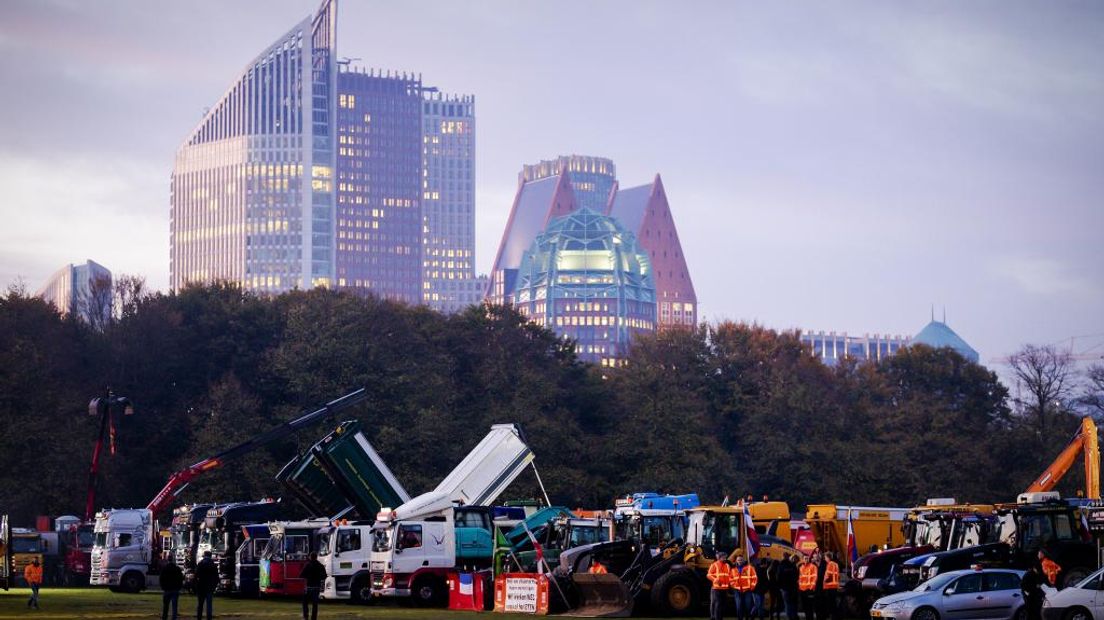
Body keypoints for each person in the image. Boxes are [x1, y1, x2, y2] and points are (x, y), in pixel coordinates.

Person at [299, 552, 327, 620]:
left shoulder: (308, 565)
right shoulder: (320, 565)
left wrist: (307, 576)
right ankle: (314, 618)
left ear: (310, 557)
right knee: (315, 604)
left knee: (305, 603)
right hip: (317, 587)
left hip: (308, 587)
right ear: (316, 557)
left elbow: (301, 575)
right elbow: (324, 576)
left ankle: (306, 617)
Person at [731, 553, 759, 620]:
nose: (739, 561)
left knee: (748, 606)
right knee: (739, 606)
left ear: (743, 561)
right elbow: (730, 580)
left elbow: (755, 578)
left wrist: (751, 587)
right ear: (736, 561)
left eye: (741, 560)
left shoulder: (750, 568)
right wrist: (735, 586)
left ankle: (747, 618)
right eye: (738, 560)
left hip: (747, 590)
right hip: (737, 590)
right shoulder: (733, 570)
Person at [194, 550, 219, 620]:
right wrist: (214, 586)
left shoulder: (200, 563)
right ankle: (209, 617)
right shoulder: (213, 564)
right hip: (209, 587)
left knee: (200, 604)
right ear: (210, 556)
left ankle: (199, 617)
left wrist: (196, 585)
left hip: (201, 587)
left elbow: (196, 576)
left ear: (204, 555)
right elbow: (216, 578)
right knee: (209, 605)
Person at [707, 551, 733, 620]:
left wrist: (731, 584)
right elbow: (709, 575)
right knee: (718, 604)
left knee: (722, 605)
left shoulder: (727, 565)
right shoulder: (714, 565)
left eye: (725, 557)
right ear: (719, 558)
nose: (725, 559)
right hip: (716, 588)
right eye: (723, 558)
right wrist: (715, 580)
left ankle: (719, 618)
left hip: (724, 589)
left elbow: (729, 576)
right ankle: (716, 618)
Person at [815, 552, 840, 620]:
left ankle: (834, 617)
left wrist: (823, 581)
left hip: (829, 587)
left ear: (828, 557)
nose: (825, 559)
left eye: (825, 557)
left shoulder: (829, 564)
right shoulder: (836, 564)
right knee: (834, 604)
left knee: (831, 605)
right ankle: (835, 617)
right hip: (834, 586)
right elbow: (838, 576)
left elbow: (827, 576)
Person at [777, 554, 800, 620]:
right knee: (793, 603)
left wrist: (780, 587)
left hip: (785, 589)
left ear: (783, 557)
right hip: (793, 588)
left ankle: (790, 617)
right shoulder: (792, 566)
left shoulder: (780, 566)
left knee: (787, 604)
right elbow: (796, 576)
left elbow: (778, 578)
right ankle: (794, 616)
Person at [798, 554, 818, 620]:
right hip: (802, 590)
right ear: (802, 559)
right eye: (805, 558)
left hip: (809, 590)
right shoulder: (801, 567)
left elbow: (815, 578)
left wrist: (811, 588)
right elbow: (800, 578)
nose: (806, 559)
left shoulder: (813, 567)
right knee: (805, 607)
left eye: (807, 558)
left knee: (809, 607)